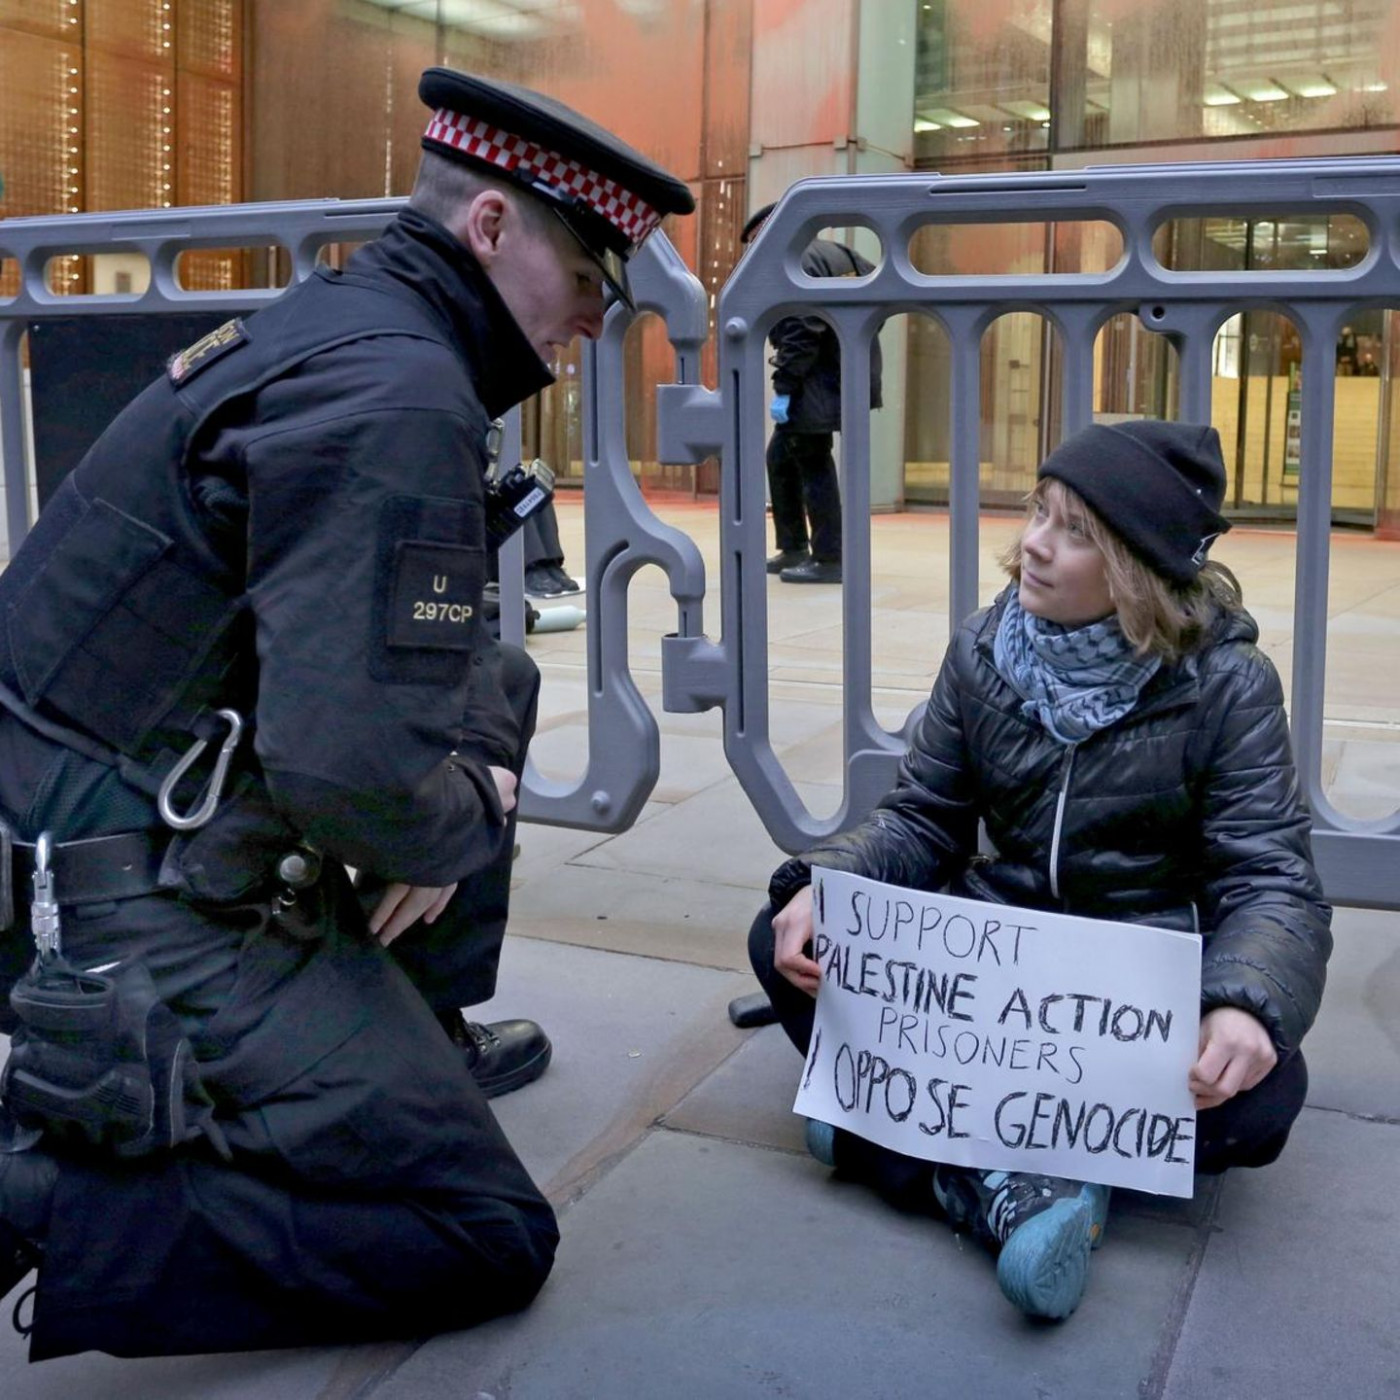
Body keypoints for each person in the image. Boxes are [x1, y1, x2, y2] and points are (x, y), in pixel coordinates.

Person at [0, 67, 692, 1359]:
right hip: (123, 898)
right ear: (489, 227)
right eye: (589, 284)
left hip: (89, 810)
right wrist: (459, 816)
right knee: (480, 1230)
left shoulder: (339, 324)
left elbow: (380, 681)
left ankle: (406, 1039)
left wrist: (440, 793)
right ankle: (52, 1192)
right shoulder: (398, 398)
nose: (596, 325)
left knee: (496, 684)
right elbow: (345, 773)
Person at [748, 420, 1331, 1321]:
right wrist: (827, 885)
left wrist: (1244, 1003)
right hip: (993, 977)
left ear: (1135, 567)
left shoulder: (1227, 685)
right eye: (1039, 513)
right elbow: (921, 816)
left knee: (1265, 1100)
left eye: (1074, 531)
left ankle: (909, 1143)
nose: (1033, 545)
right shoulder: (985, 649)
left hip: (1129, 994)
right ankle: (1018, 1176)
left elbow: (1269, 880)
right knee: (783, 938)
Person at [741, 202, 883, 585]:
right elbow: (879, 292)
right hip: (845, 374)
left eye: (754, 241)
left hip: (814, 382)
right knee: (781, 457)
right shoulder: (839, 253)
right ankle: (794, 546)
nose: (752, 251)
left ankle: (829, 557)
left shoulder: (795, 260)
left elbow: (802, 328)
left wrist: (784, 387)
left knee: (813, 462)